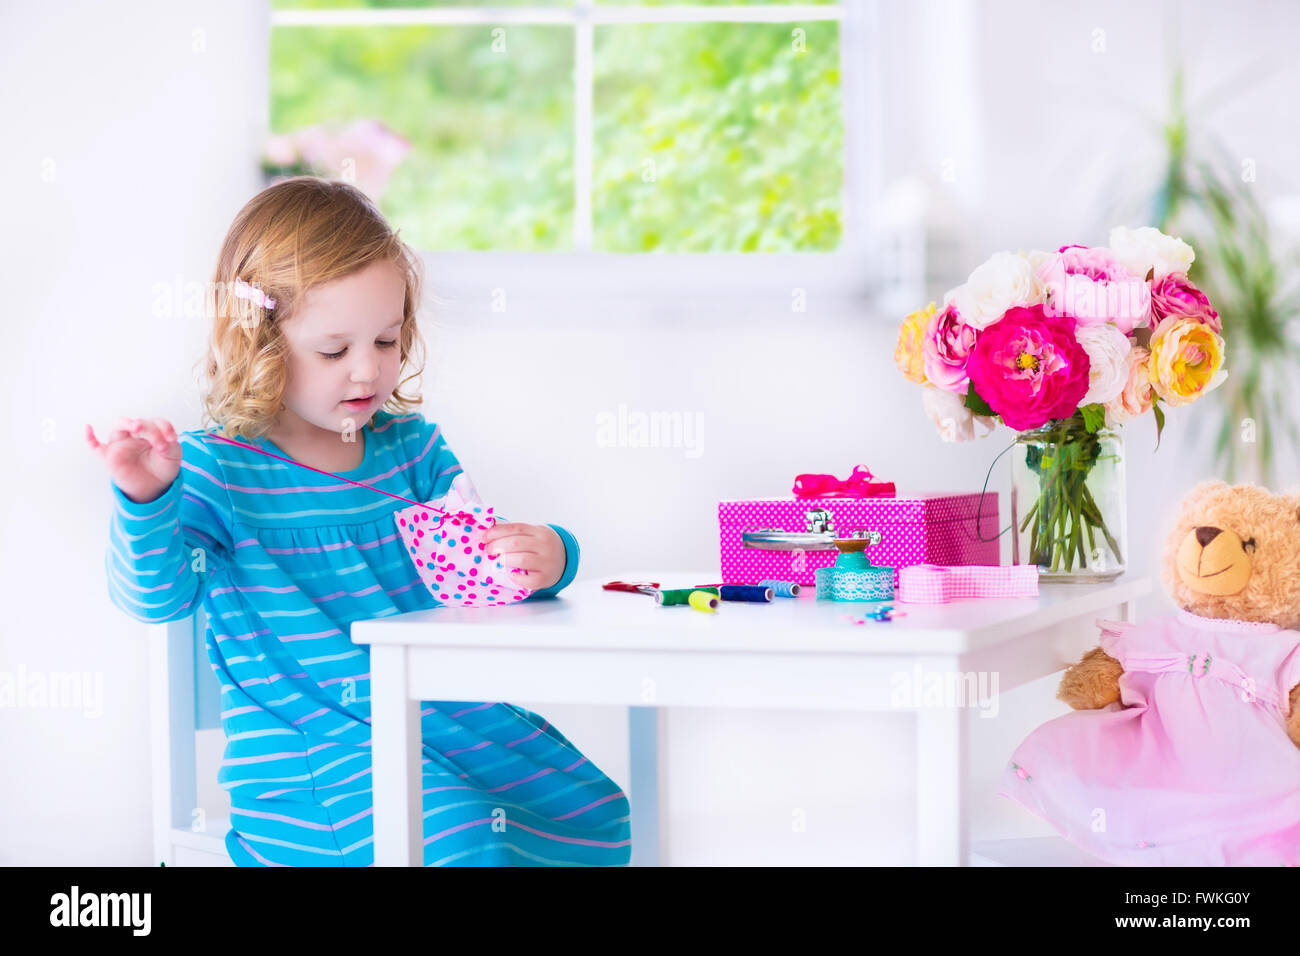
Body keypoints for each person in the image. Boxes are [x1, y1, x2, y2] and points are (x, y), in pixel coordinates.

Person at [88, 176, 631, 866]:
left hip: (446, 721)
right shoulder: (219, 471)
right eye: (334, 350)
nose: (368, 371)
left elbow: (483, 582)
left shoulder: (414, 452)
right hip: (314, 764)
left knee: (595, 813)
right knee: (465, 839)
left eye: (387, 339)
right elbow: (153, 597)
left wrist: (554, 556)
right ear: (257, 341)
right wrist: (145, 497)